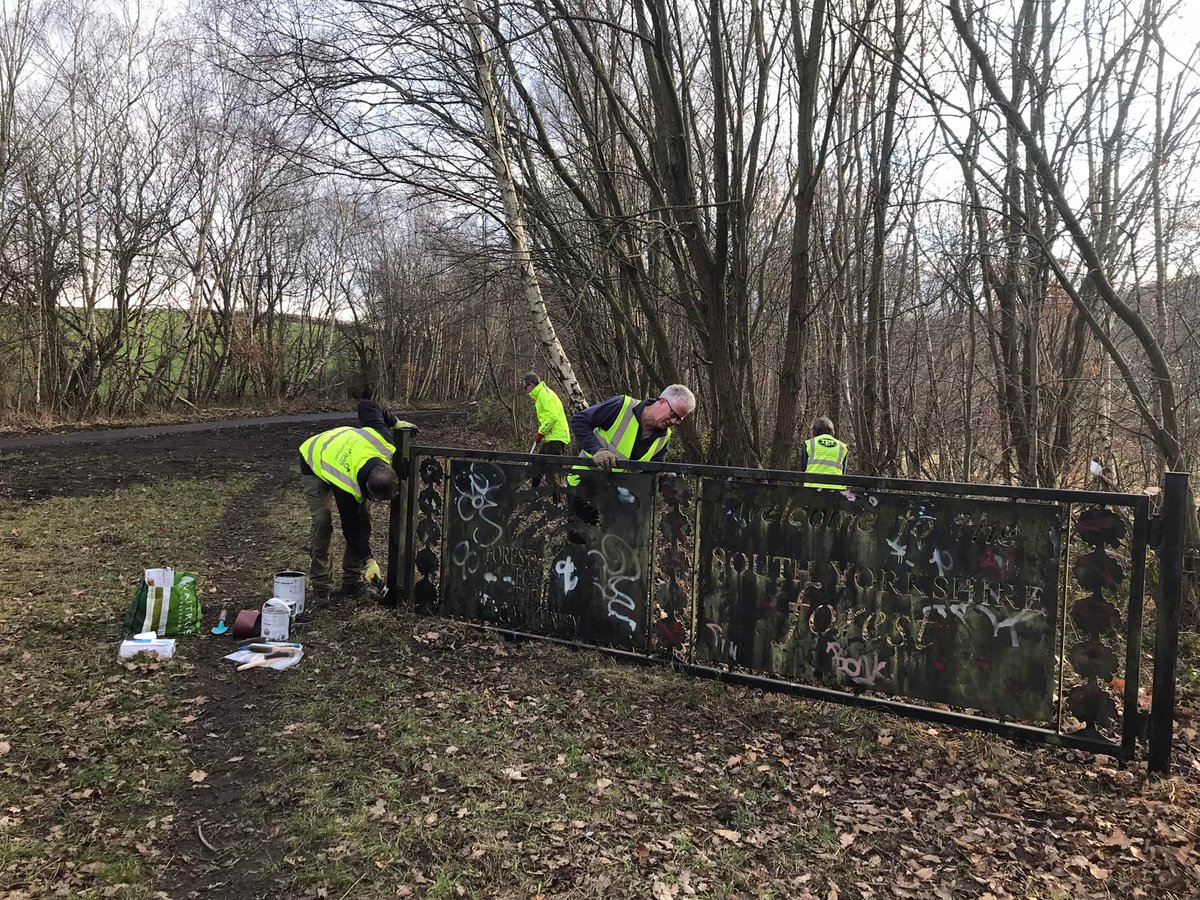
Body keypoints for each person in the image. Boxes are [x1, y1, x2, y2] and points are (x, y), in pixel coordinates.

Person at [298, 399, 418, 607]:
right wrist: (369, 560)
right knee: (323, 522)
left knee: (365, 519)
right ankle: (321, 585)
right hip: (314, 457)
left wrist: (394, 422)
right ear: (366, 487)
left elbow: (367, 405)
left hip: (346, 450)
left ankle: (351, 581)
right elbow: (350, 529)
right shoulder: (346, 486)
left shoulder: (384, 439)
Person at [569, 384, 695, 478]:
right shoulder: (622, 406)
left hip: (617, 497)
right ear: (662, 401)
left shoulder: (664, 437)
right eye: (673, 414)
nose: (673, 421)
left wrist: (663, 478)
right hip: (583, 484)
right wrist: (597, 450)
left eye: (679, 419)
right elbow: (579, 421)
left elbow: (650, 472)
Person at [800, 416, 848, 490]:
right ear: (832, 431)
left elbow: (803, 470)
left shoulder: (809, 444)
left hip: (811, 489)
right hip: (836, 490)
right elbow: (842, 473)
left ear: (815, 431)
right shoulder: (842, 447)